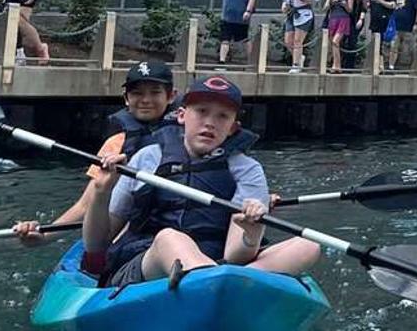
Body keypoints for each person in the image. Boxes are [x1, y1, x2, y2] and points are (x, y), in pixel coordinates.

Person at [80, 76, 318, 288]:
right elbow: (97, 245)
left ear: (233, 127)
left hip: (219, 262)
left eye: (222, 116)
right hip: (147, 262)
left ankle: (219, 284)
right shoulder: (147, 158)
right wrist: (101, 193)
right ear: (182, 115)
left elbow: (235, 257)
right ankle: (225, 285)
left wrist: (251, 234)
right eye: (201, 111)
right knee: (170, 238)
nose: (210, 122)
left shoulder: (247, 170)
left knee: (308, 246)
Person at [11, 60, 177, 244]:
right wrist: (45, 236)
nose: (145, 100)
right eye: (137, 93)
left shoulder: (189, 134)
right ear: (126, 98)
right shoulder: (116, 144)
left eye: (155, 92)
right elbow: (86, 204)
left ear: (171, 96)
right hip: (127, 225)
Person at [216, 0, 258, 67]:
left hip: (241, 14)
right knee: (225, 38)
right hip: (228, 14)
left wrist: (248, 10)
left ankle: (252, 62)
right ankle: (222, 61)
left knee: (243, 38)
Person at [279, 0, 318, 73]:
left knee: (297, 40)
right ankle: (299, 57)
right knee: (288, 40)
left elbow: (314, 0)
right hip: (292, 13)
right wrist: (284, 6)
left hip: (304, 14)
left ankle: (295, 64)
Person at [320, 0, 361, 75]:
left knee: (335, 41)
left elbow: (350, 9)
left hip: (343, 19)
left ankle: (336, 65)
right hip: (333, 18)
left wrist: (344, 4)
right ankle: (336, 64)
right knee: (332, 43)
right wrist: (331, 3)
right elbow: (324, 7)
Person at [380, 0, 417, 72]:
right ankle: (391, 66)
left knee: (411, 48)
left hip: (409, 27)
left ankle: (415, 67)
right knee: (393, 46)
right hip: (396, 27)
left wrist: (416, 23)